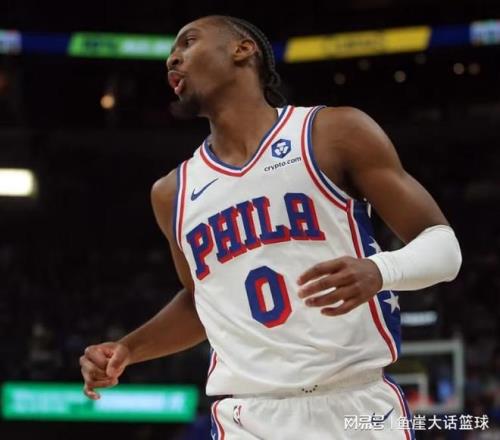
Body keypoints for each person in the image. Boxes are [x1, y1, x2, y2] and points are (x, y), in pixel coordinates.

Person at [79, 15, 462, 439]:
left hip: (355, 403)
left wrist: (380, 270)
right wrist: (128, 348)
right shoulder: (171, 192)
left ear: (243, 49)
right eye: (172, 53)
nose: (173, 59)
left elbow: (444, 248)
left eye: (188, 42)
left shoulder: (332, 133)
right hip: (248, 416)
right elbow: (200, 301)